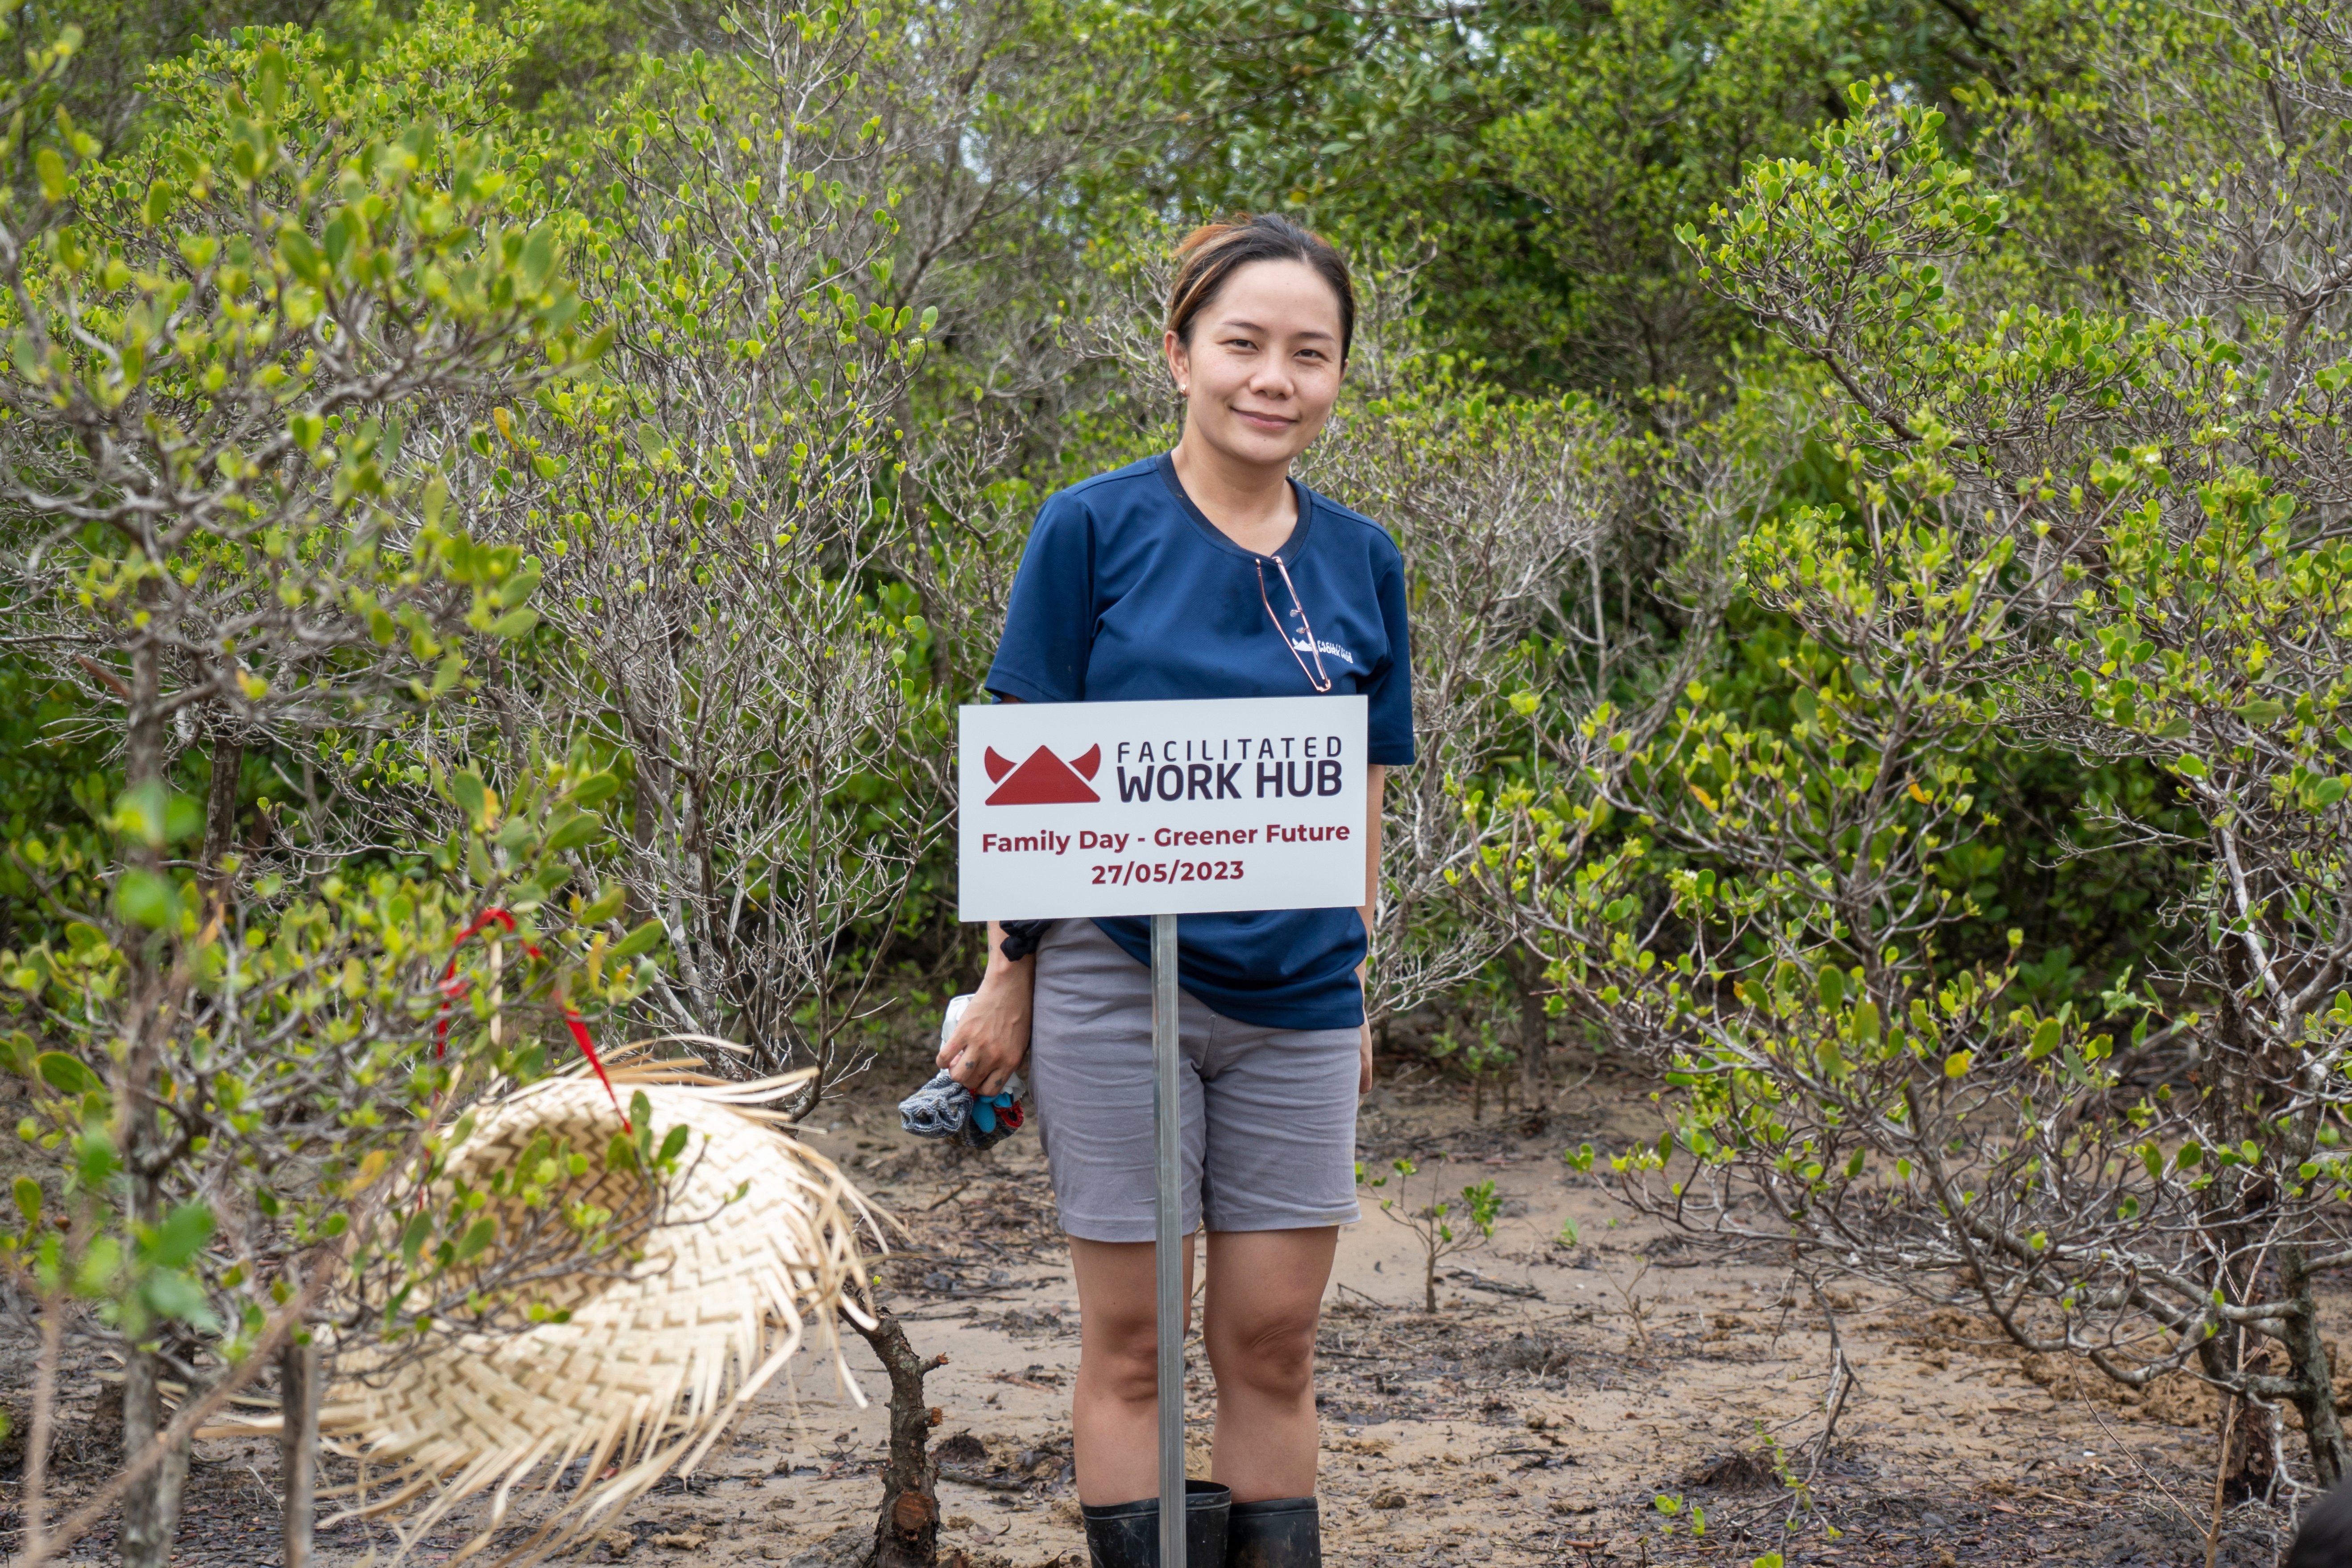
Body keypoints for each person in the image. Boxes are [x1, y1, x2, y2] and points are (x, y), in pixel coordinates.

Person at [939, 213, 1412, 1568]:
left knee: (1274, 1334)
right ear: (1180, 353)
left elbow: (1360, 792)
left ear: (1336, 377)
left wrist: (1359, 983)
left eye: (1308, 353)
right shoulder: (1092, 527)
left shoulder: (1363, 558)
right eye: (1244, 344)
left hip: (1302, 999)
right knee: (1136, 1336)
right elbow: (1027, 772)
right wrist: (1007, 975)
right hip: (1111, 982)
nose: (1274, 378)